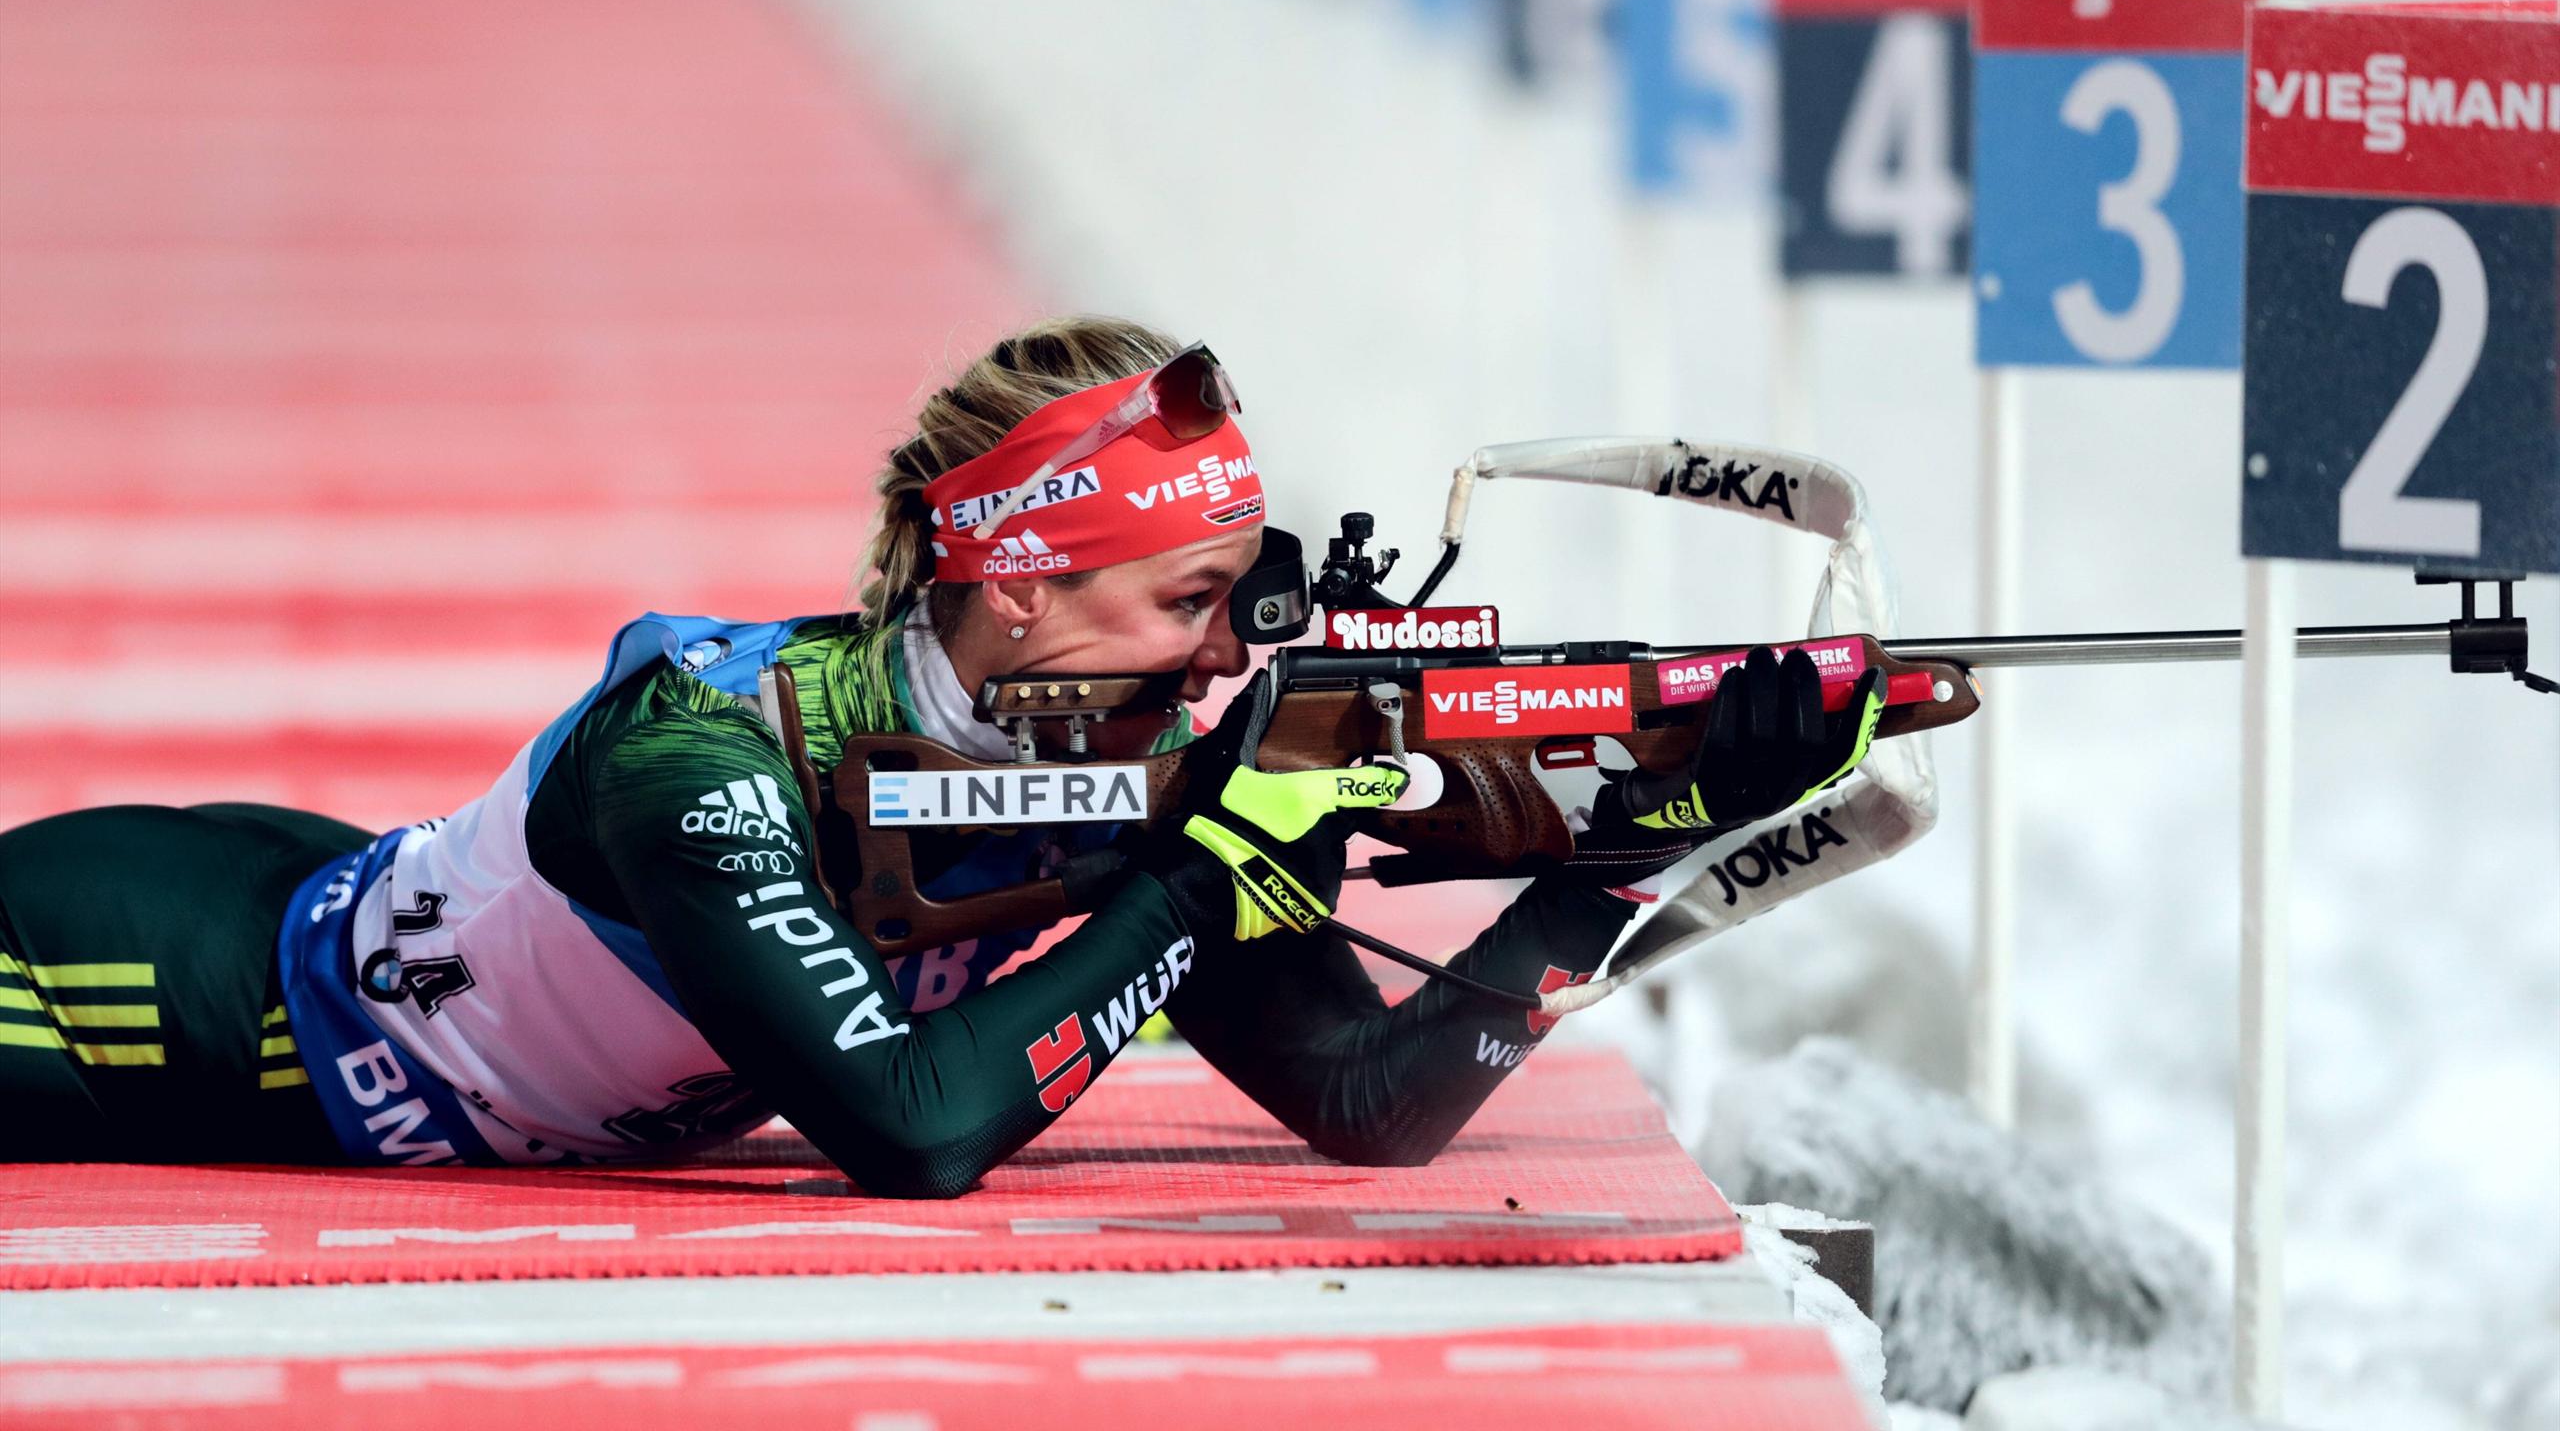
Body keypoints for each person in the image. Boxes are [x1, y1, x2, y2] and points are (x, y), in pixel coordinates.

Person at [0, 317, 1879, 1196]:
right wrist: (1193, 887)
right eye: (1191, 601)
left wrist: (1627, 858)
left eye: (1250, 596)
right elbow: (912, 1132)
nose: (1235, 651)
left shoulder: (1138, 774)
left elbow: (1372, 1102)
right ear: (1022, 590)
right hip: (128, 990)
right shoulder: (701, 762)